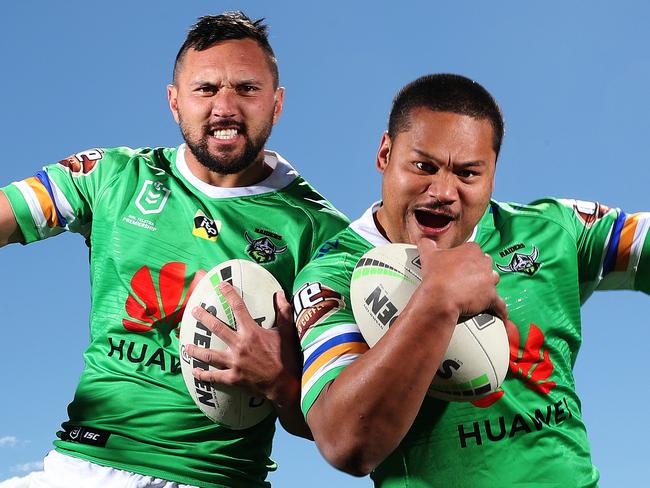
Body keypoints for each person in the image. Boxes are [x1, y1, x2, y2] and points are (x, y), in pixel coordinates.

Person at [0, 12, 347, 488]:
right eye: (206, 89)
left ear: (277, 102)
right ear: (174, 101)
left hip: (217, 478)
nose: (225, 107)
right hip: (82, 466)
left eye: (246, 88)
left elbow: (343, 435)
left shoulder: (322, 233)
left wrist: (281, 384)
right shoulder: (112, 176)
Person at [292, 73, 650, 487]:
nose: (443, 191)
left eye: (467, 174)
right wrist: (437, 301)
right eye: (423, 166)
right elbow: (345, 442)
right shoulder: (333, 273)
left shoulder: (551, 231)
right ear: (385, 154)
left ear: (493, 174)